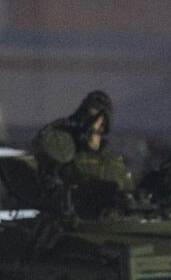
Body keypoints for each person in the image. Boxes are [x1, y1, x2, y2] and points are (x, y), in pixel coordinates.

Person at [32, 90, 134, 218]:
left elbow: (128, 195)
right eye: (85, 112)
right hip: (75, 225)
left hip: (107, 226)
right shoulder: (66, 154)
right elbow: (48, 189)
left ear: (104, 121)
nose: (88, 117)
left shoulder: (115, 161)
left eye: (95, 113)